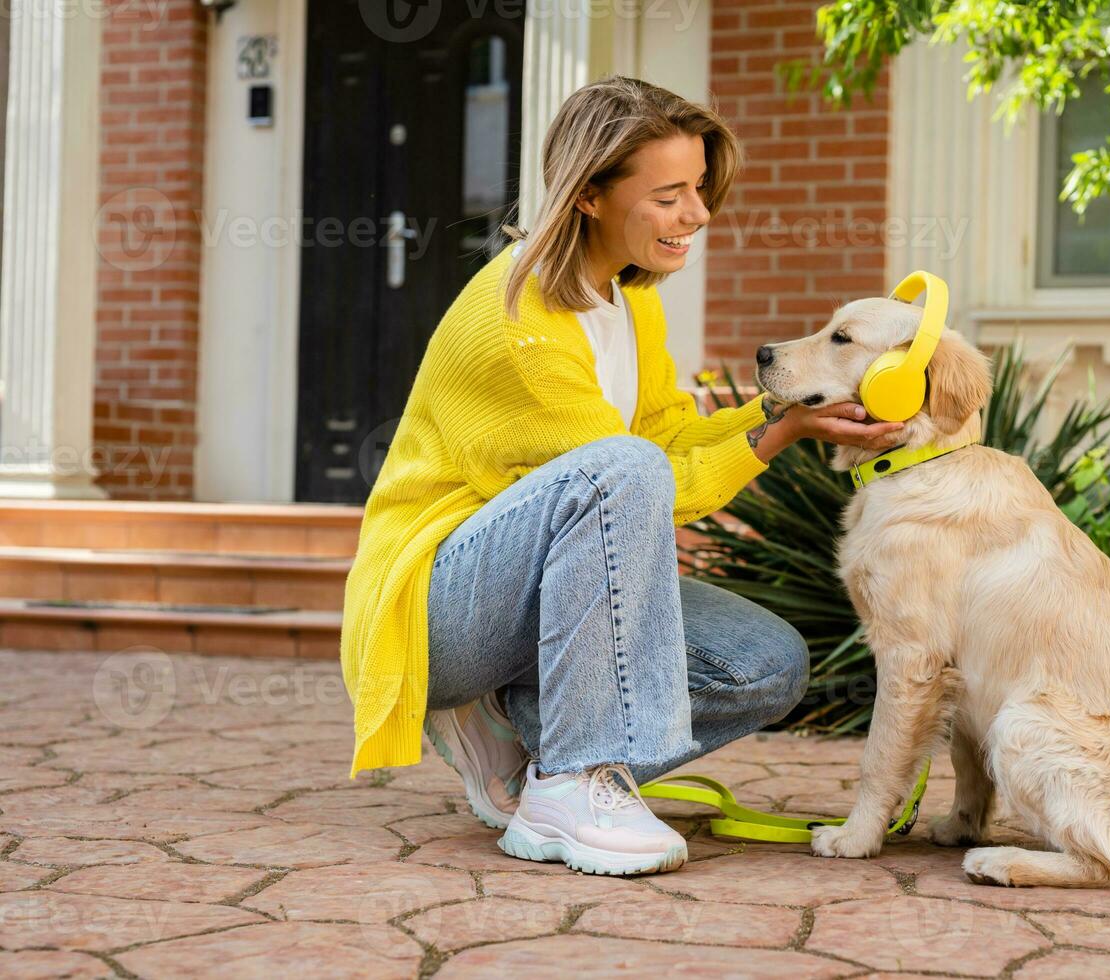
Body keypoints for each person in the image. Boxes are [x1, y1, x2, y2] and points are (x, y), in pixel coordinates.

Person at [339, 75, 904, 876]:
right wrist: (776, 438)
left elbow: (667, 434)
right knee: (621, 471)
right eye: (669, 194)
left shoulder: (629, 300)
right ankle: (572, 778)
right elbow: (647, 479)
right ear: (590, 197)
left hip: (527, 588)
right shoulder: (520, 326)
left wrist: (794, 411)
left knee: (765, 663)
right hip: (435, 608)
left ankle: (523, 731)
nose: (699, 214)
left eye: (700, 189)